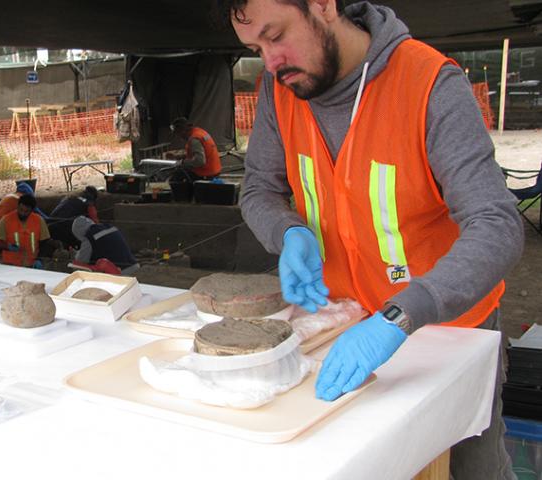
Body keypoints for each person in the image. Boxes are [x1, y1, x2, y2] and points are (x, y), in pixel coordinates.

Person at [217, 1, 524, 478]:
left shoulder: (428, 83)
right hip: (339, 327)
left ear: (323, 5)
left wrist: (399, 317)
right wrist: (288, 230)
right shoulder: (280, 92)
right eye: (254, 48)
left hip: (447, 332)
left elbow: (496, 224)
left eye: (276, 36)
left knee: (469, 468)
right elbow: (259, 187)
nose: (270, 62)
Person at [0, 194, 59, 268]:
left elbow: (45, 243)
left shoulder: (39, 220)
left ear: (31, 210)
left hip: (32, 264)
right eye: (21, 210)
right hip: (10, 265)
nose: (23, 213)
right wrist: (7, 246)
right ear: (18, 206)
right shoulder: (5, 220)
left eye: (26, 211)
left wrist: (39, 259)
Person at [71, 216, 139, 275]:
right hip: (133, 265)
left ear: (78, 233)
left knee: (80, 267)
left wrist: (76, 254)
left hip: (119, 272)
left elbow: (81, 261)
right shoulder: (109, 226)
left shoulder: (89, 237)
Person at [168, 117, 222, 182]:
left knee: (176, 177)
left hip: (206, 173)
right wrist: (178, 156)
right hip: (214, 170)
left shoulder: (194, 139)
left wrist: (182, 162)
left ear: (183, 130)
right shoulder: (199, 132)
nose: (179, 137)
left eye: (178, 134)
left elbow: (199, 161)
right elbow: (195, 153)